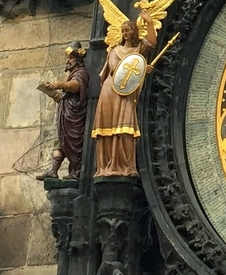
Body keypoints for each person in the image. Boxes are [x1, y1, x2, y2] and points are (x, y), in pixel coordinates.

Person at [92, 10, 156, 177]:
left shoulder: (138, 49)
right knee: (107, 127)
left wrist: (149, 22)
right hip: (111, 89)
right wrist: (141, 69)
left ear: (134, 31)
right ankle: (106, 166)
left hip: (127, 92)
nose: (125, 33)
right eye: (123, 31)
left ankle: (125, 165)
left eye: (128, 30)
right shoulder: (114, 50)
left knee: (126, 127)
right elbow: (116, 69)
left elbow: (151, 43)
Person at [37, 41, 90, 180]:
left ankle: (77, 172)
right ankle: (53, 170)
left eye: (71, 58)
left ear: (78, 59)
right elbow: (66, 96)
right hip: (65, 116)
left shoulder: (81, 73)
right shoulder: (72, 74)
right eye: (68, 58)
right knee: (60, 142)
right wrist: (55, 95)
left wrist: (59, 84)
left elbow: (76, 86)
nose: (68, 61)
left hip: (74, 117)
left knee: (74, 144)